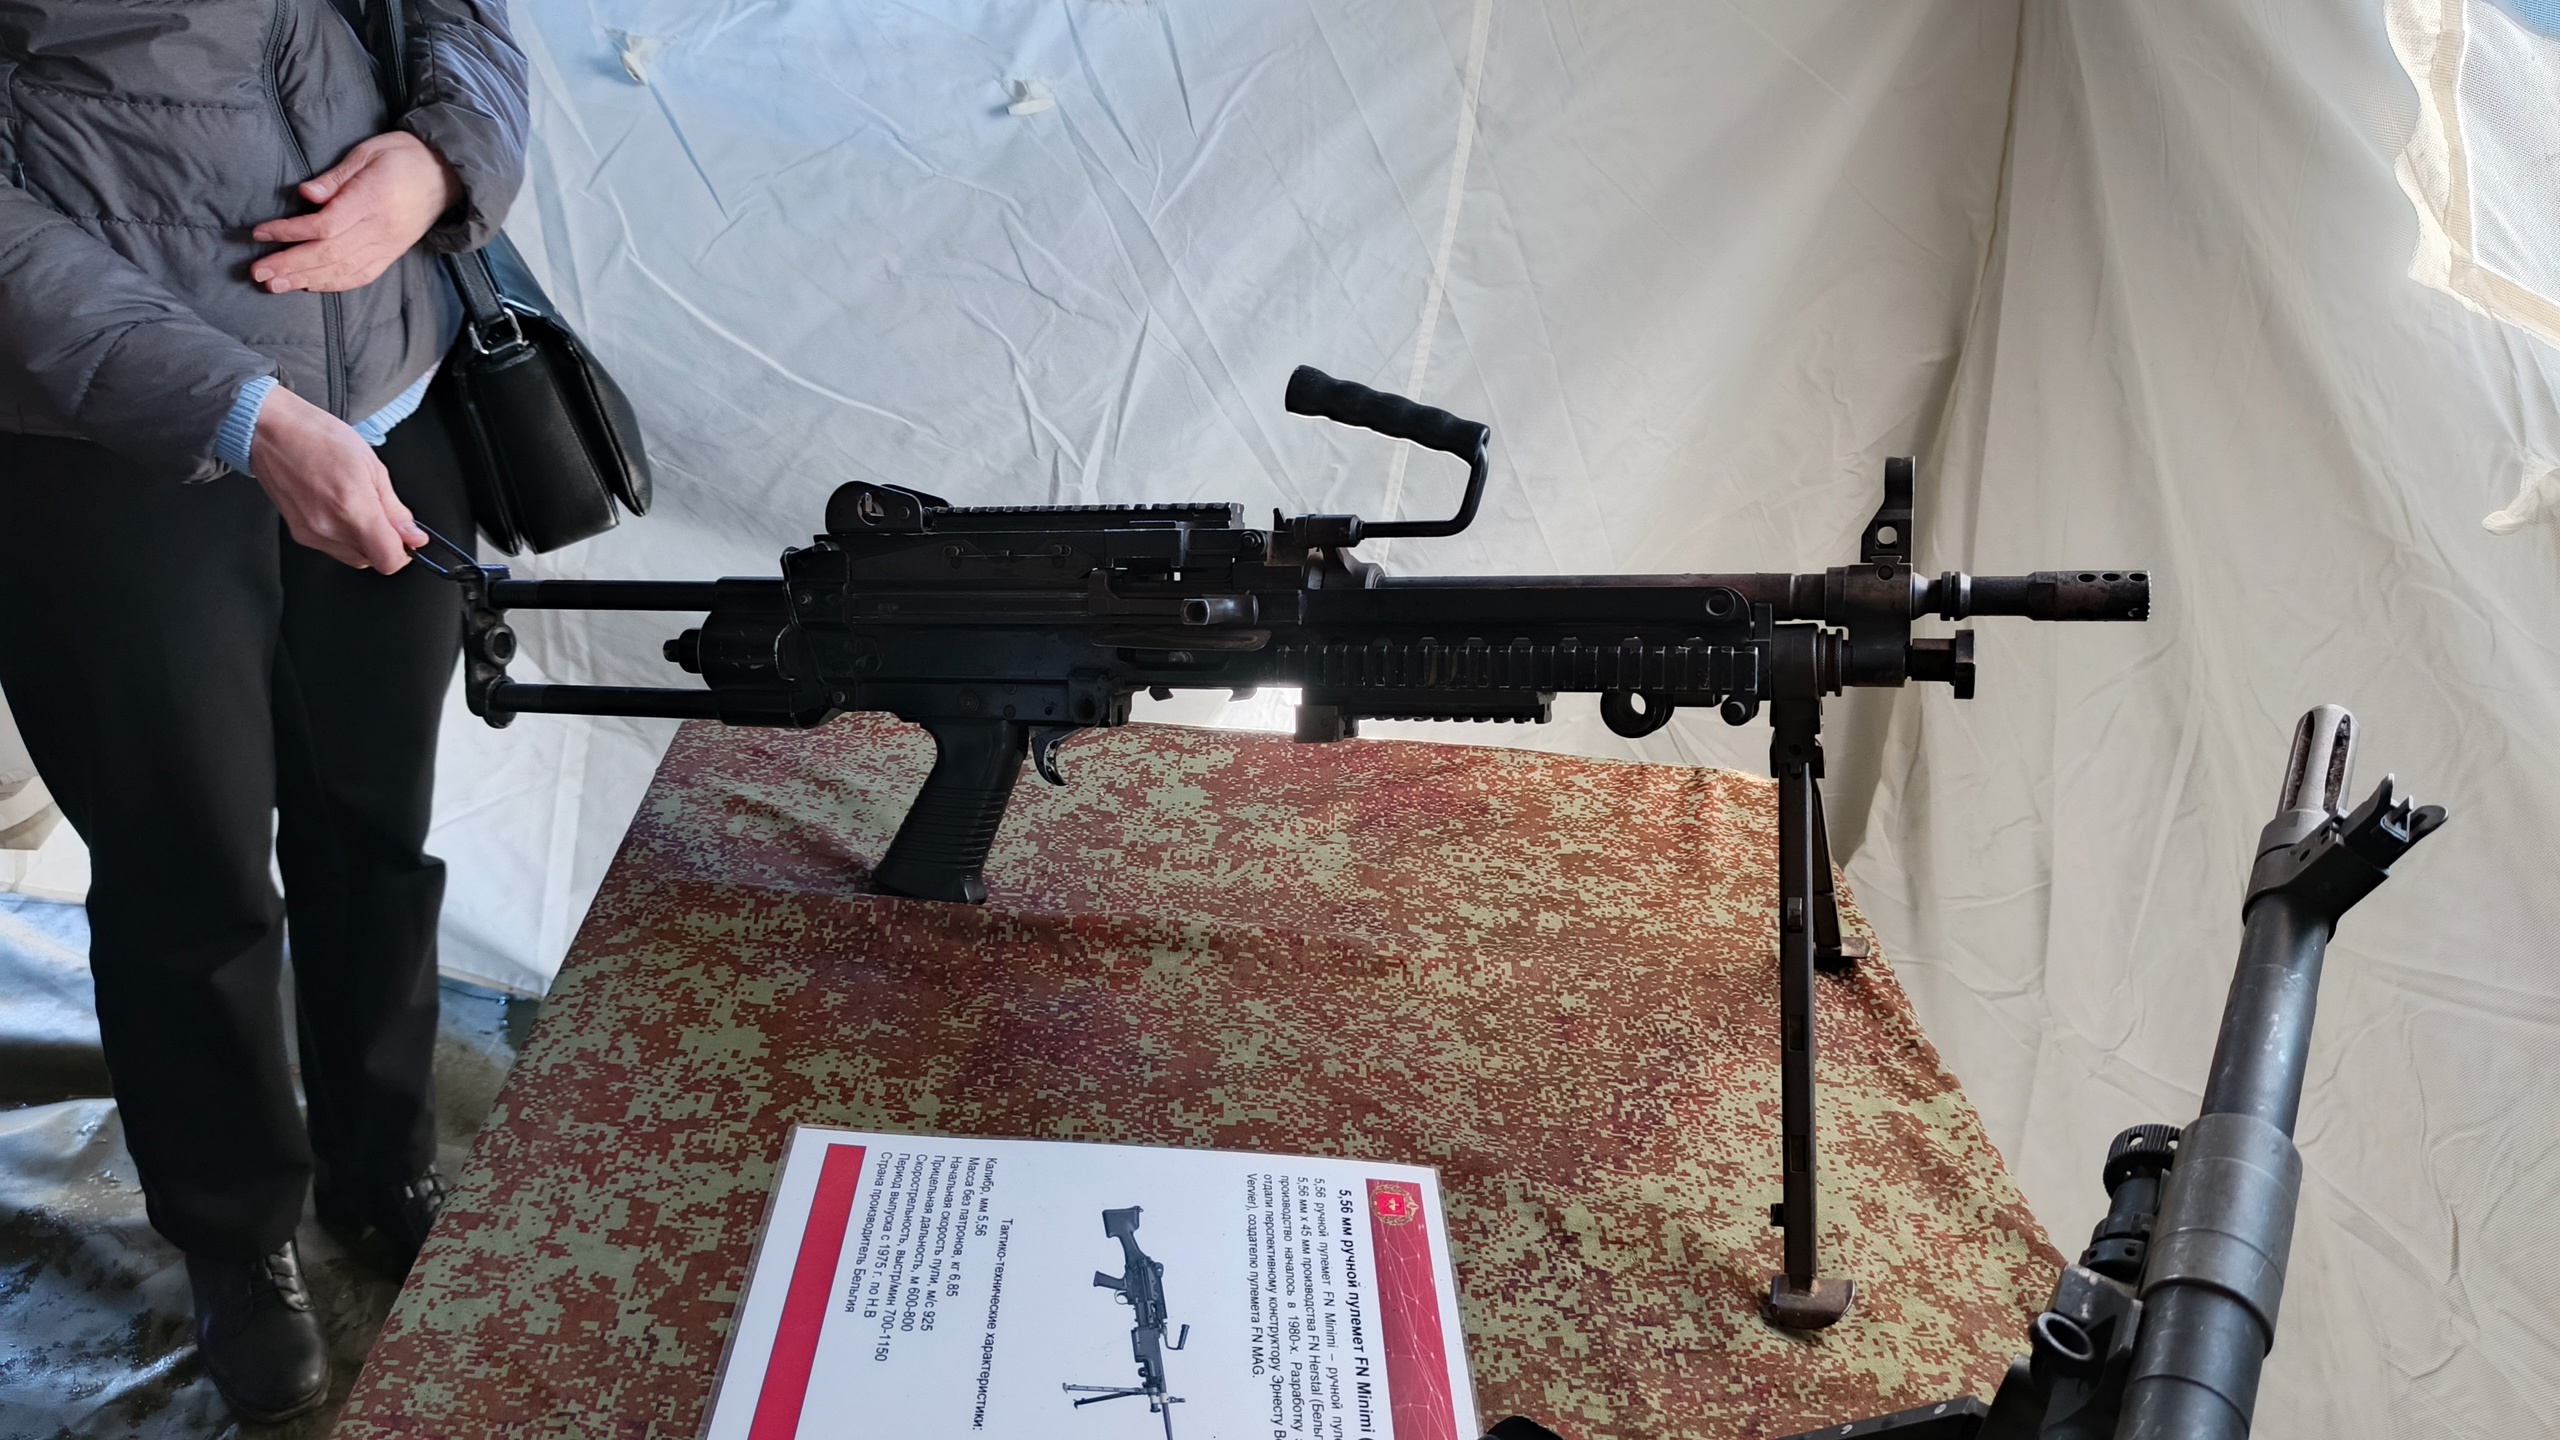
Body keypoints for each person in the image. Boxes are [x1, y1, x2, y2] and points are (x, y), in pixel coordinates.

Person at [0, 0, 527, 1421]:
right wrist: (243, 411)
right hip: (104, 445)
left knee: (374, 825)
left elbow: (466, 17)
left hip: (396, 396)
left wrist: (443, 160)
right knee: (189, 867)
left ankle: (383, 1164)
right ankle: (236, 1235)